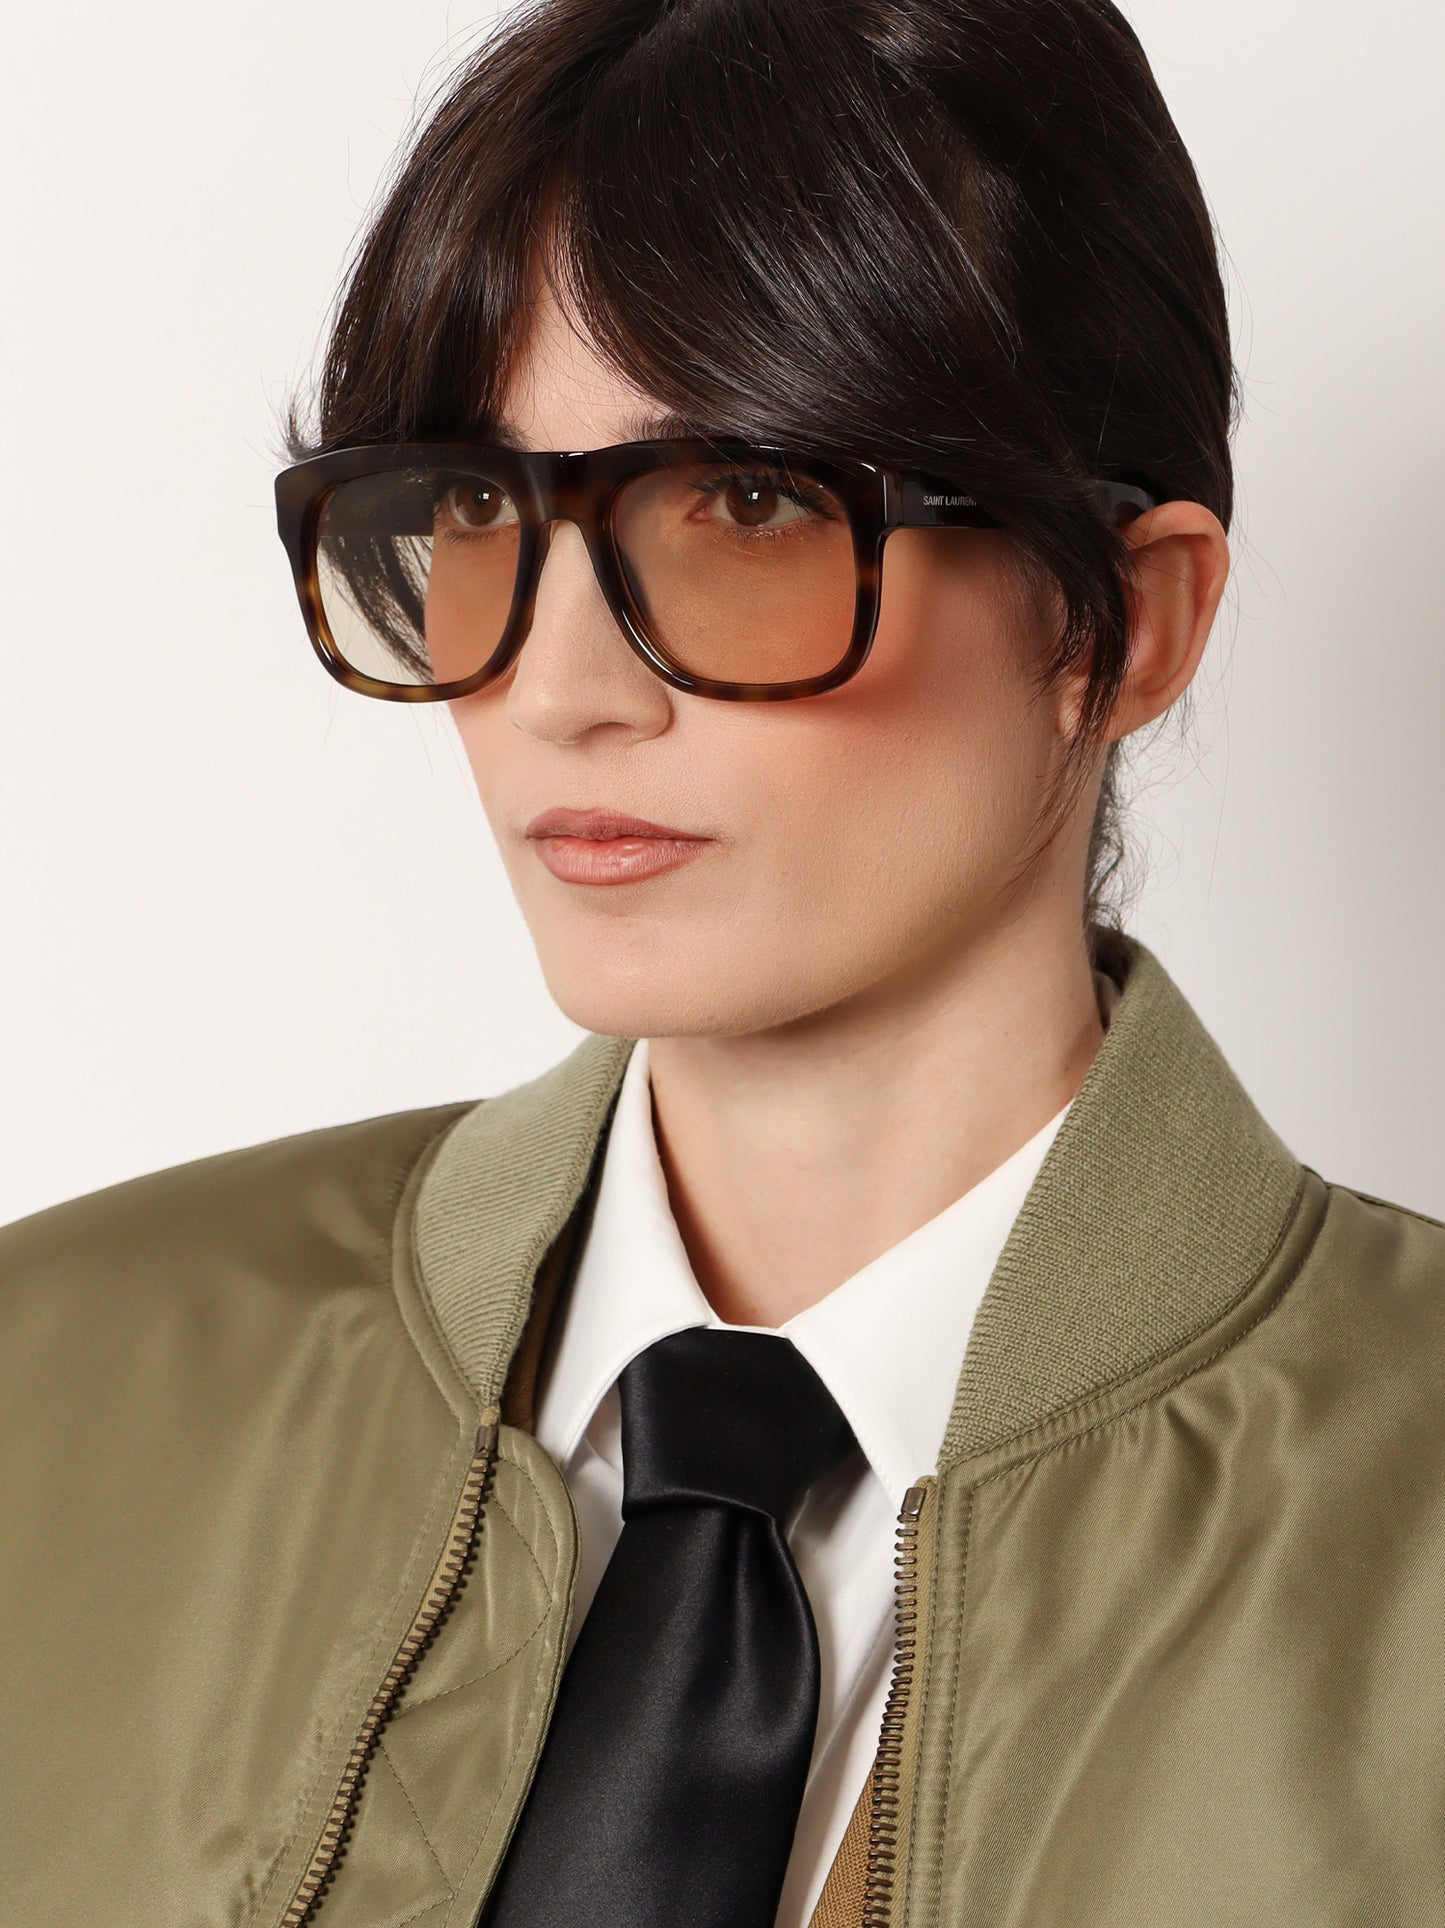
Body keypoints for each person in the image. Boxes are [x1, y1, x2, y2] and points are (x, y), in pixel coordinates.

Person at [3, 0, 1442, 1922]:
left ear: (1128, 622)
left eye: (748, 507)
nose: (557, 688)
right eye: (474, 508)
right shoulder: (55, 1392)